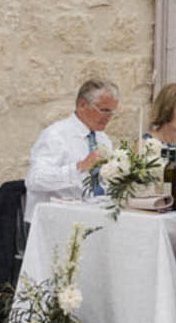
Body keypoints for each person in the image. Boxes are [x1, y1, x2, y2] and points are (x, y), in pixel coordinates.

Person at [24, 77, 119, 221]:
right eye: (104, 110)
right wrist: (79, 167)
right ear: (82, 105)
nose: (109, 117)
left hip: (95, 216)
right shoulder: (56, 135)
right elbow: (35, 179)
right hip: (57, 221)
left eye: (112, 112)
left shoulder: (102, 139)